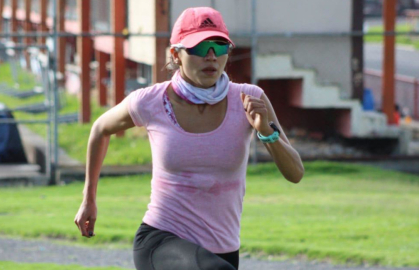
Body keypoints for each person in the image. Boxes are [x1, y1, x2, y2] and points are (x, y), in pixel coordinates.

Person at [74, 7, 304, 270]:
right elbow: (100, 129)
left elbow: (295, 173)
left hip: (223, 250)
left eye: (219, 47)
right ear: (176, 54)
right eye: (199, 47)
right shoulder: (151, 101)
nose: (211, 56)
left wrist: (265, 131)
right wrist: (89, 199)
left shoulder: (249, 99)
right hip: (162, 240)